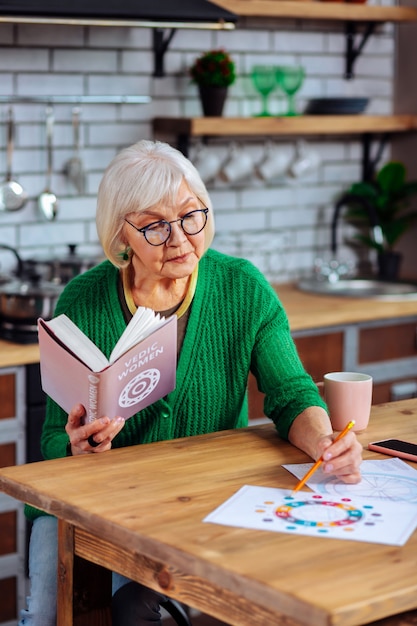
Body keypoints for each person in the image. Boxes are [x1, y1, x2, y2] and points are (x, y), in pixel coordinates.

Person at [20, 139, 362, 626]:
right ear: (122, 235)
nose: (180, 239)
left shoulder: (241, 287)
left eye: (190, 216)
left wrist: (325, 441)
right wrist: (76, 448)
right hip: (91, 501)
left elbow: (291, 393)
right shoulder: (83, 299)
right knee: (51, 615)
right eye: (155, 226)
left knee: (131, 607)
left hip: (193, 500)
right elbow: (53, 438)